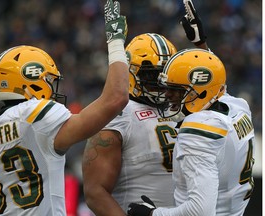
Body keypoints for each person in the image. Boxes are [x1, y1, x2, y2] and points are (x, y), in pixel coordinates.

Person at [0, 0, 129, 215]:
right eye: (48, 80)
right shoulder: (35, 116)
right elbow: (116, 98)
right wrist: (115, 40)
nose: (51, 87)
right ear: (29, 79)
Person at [81, 0, 210, 215]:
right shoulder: (119, 116)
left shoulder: (183, 106)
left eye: (164, 75)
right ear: (131, 72)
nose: (159, 83)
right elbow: (95, 192)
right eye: (151, 76)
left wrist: (202, 47)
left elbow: (215, 91)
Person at [127, 48, 255, 216]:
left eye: (177, 90)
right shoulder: (238, 107)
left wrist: (152, 214)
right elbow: (215, 80)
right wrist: (202, 44)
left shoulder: (198, 130)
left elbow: (200, 211)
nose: (168, 94)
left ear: (200, 92)